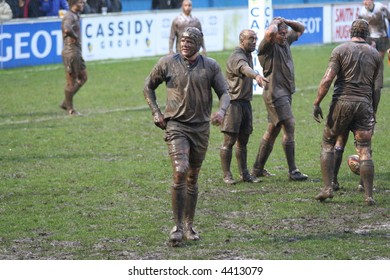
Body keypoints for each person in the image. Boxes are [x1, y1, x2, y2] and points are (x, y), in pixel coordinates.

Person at [143, 27, 230, 245]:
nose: (184, 44)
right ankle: (177, 227)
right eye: (182, 40)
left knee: (192, 177)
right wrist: (156, 112)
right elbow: (148, 87)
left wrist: (221, 111)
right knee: (180, 171)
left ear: (199, 44)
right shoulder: (167, 63)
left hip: (201, 129)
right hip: (176, 126)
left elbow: (225, 93)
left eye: (190, 41)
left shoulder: (210, 66)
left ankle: (189, 225)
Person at [312, 19, 382, 206]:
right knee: (364, 149)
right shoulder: (375, 55)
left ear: (350, 32)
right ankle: (368, 195)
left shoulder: (340, 50)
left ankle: (328, 188)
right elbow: (376, 88)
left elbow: (327, 80)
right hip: (364, 105)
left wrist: (317, 102)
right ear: (367, 34)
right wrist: (372, 111)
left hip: (342, 103)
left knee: (328, 141)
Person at [251, 17, 308, 181]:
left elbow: (301, 28)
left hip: (285, 92)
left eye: (285, 33)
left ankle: (257, 169)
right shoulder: (267, 46)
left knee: (272, 131)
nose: (284, 36)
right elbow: (269, 33)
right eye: (280, 34)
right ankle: (293, 171)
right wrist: (274, 23)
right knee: (289, 124)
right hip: (275, 93)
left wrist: (286, 22)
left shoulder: (285, 41)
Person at [220, 29, 268, 185]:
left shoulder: (248, 54)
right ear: (242, 40)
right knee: (229, 141)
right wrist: (257, 75)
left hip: (245, 103)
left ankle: (244, 174)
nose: (254, 42)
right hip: (233, 103)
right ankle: (227, 175)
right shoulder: (237, 56)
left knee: (243, 141)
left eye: (255, 38)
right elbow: (244, 69)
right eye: (251, 39)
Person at [60, 0, 88, 116]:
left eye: (83, 3)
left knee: (83, 77)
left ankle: (66, 102)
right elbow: (66, 29)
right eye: (80, 3)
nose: (82, 5)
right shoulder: (69, 16)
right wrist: (75, 36)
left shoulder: (76, 15)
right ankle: (70, 109)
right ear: (73, 3)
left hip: (76, 51)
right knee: (71, 82)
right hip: (71, 52)